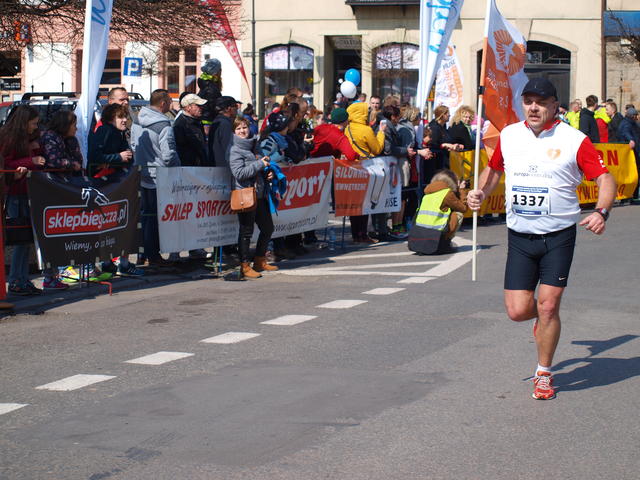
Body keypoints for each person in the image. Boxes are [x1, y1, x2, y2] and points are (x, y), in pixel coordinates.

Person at [467, 77, 616, 400]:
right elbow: (494, 170)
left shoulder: (574, 140)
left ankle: (544, 373)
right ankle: (545, 320)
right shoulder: (509, 135)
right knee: (518, 311)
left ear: (554, 105)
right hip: (520, 236)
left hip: (558, 236)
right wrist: (479, 191)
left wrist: (601, 212)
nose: (533, 108)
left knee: (548, 305)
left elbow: (605, 178)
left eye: (541, 102)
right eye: (528, 101)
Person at [87, 103, 144, 276]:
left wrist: (118, 159)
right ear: (111, 118)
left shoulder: (118, 132)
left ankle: (116, 263)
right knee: (107, 225)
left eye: (126, 116)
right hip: (104, 185)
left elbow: (126, 156)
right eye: (121, 117)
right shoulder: (104, 131)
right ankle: (110, 263)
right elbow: (94, 157)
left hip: (117, 184)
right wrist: (117, 157)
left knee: (118, 224)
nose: (125, 120)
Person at [132, 89, 180, 268]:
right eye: (170, 101)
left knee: (145, 217)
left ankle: (142, 254)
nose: (171, 105)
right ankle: (153, 256)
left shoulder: (137, 119)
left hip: (141, 173)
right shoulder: (164, 125)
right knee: (155, 218)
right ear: (163, 103)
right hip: (159, 176)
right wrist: (178, 168)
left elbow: (133, 144)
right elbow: (169, 154)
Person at [0, 105, 45, 295]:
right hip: (15, 193)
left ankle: (23, 279)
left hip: (26, 192)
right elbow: (6, 164)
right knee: (20, 239)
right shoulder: (10, 139)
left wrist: (34, 153)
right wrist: (30, 161)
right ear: (24, 122)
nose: (35, 127)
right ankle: (16, 280)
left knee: (26, 239)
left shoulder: (27, 139)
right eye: (33, 123)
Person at [229, 116, 277, 279]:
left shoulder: (254, 146)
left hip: (260, 194)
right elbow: (239, 173)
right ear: (234, 132)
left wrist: (268, 172)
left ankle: (259, 260)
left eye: (244, 127)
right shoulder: (235, 150)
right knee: (246, 232)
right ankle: (244, 266)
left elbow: (262, 166)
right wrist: (260, 164)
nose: (242, 131)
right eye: (238, 128)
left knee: (268, 228)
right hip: (245, 195)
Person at [345, 101, 387, 242]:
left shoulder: (347, 128)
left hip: (351, 169)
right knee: (364, 203)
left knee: (354, 204)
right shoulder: (366, 130)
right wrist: (381, 133)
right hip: (366, 168)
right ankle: (362, 235)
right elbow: (377, 149)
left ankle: (355, 235)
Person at [408, 169, 469, 255]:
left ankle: (438, 242)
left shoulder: (427, 193)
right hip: (435, 235)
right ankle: (445, 244)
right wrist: (461, 190)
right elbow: (463, 208)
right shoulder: (447, 193)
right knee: (458, 215)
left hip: (419, 234)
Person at [426, 105, 462, 184]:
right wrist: (444, 145)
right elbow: (433, 144)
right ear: (442, 115)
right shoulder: (434, 127)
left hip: (444, 160)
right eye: (447, 113)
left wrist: (455, 145)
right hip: (436, 162)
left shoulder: (444, 127)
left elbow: (447, 140)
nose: (449, 115)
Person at [173, 93, 209, 167]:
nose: (201, 108)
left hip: (199, 167)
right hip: (189, 168)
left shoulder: (197, 121)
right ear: (188, 107)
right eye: (198, 105)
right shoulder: (181, 124)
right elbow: (181, 150)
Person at [616, 107, 640, 203]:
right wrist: (631, 140)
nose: (637, 117)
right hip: (631, 153)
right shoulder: (627, 123)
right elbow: (625, 132)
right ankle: (631, 196)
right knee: (633, 174)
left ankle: (630, 195)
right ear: (633, 116)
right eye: (636, 115)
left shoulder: (631, 123)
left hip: (633, 152)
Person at [209, 96, 240, 168]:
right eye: (235, 106)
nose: (237, 109)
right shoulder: (225, 124)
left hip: (217, 166)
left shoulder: (217, 121)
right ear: (229, 109)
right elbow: (229, 149)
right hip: (224, 168)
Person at [197, 58, 222, 134]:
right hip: (208, 122)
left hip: (207, 120)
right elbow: (210, 105)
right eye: (220, 70)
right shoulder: (210, 87)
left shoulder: (206, 83)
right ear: (216, 72)